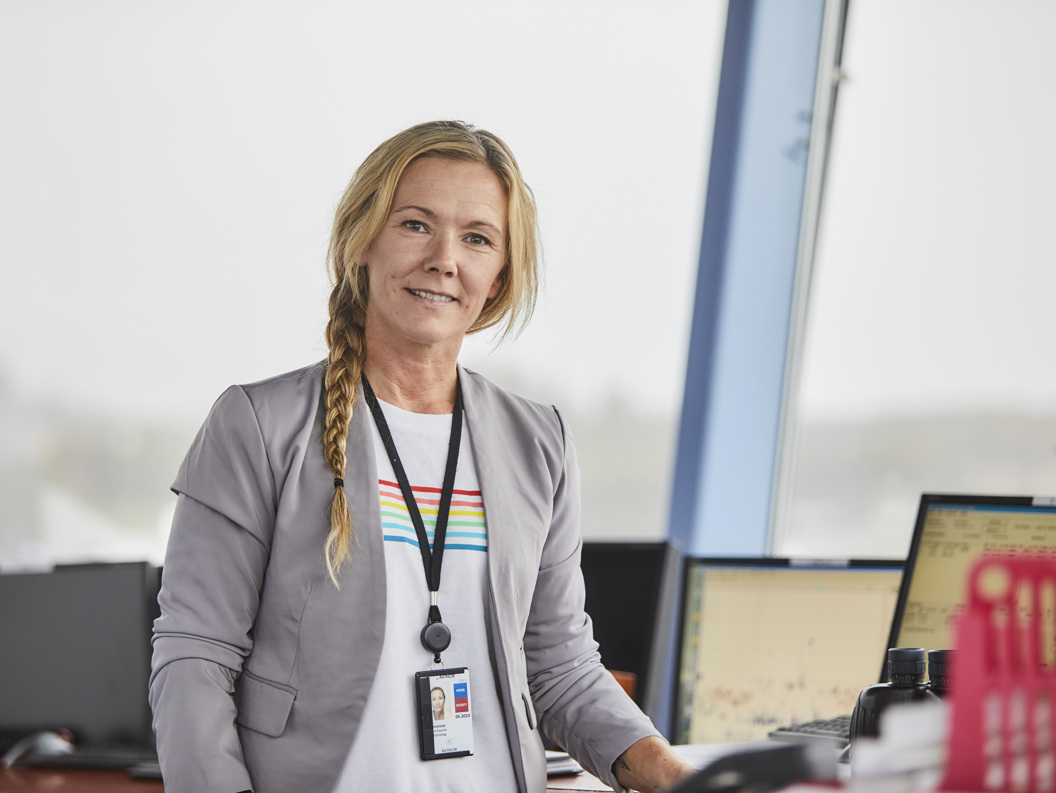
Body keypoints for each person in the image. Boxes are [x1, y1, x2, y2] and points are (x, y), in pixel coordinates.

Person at [149, 120, 696, 793]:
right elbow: (194, 654)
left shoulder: (538, 440)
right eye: (415, 224)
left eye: (477, 238)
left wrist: (675, 773)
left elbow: (559, 665)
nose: (444, 258)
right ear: (363, 241)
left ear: (498, 275)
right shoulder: (259, 425)